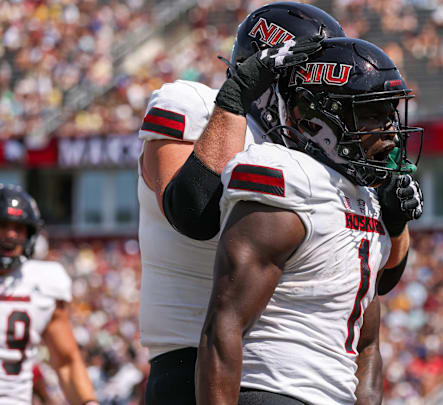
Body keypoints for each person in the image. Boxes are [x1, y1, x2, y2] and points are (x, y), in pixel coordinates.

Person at [136, 4, 360, 404]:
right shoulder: (193, 102)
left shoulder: (303, 149)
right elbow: (193, 212)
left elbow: (377, 278)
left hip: (279, 375)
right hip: (192, 363)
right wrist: (237, 97)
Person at [196, 37, 424, 405]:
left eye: (389, 113)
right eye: (370, 113)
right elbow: (224, 324)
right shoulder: (292, 175)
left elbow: (366, 344)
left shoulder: (365, 197)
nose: (391, 130)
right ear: (315, 118)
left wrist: (394, 225)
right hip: (276, 391)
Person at [0, 184, 98, 405]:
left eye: (18, 227)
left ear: (31, 234)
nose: (10, 235)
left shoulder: (43, 281)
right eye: (2, 225)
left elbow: (65, 361)